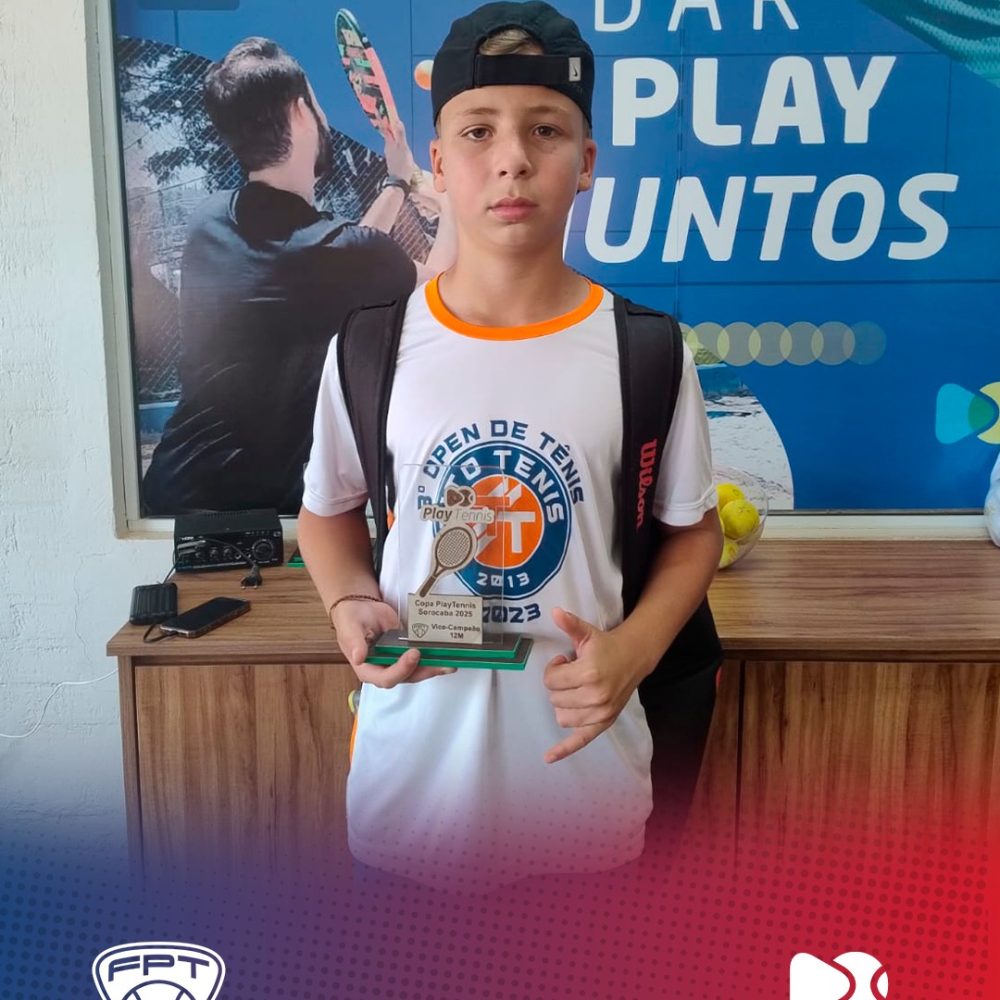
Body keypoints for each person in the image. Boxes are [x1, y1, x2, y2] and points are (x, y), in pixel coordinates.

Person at [297, 1, 723, 891]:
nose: (513, 159)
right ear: (438, 162)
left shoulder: (645, 352)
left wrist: (637, 650)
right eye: (478, 130)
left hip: (587, 805)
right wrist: (348, 600)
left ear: (587, 162)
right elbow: (327, 512)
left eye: (545, 130)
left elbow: (693, 532)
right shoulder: (370, 346)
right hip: (406, 800)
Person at [142, 37, 455, 515]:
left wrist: (397, 182)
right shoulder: (334, 255)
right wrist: (450, 203)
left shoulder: (210, 221)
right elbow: (442, 285)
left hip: (169, 496)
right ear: (300, 112)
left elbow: (339, 261)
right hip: (241, 515)